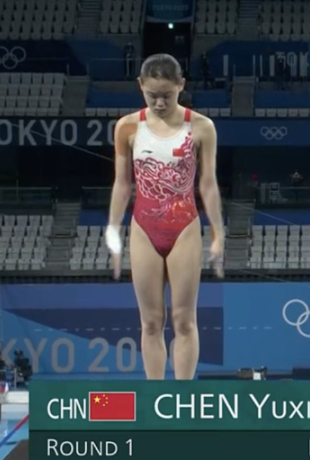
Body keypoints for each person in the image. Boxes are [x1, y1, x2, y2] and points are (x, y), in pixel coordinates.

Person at [107, 53, 225, 380]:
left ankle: (182, 399)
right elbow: (122, 184)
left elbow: (208, 183)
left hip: (184, 226)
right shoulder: (127, 127)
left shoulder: (201, 127)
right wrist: (113, 229)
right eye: (152, 95)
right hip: (144, 228)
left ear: (181, 86)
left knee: (184, 321)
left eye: (167, 96)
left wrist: (218, 233)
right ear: (140, 86)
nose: (159, 103)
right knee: (150, 323)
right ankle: (155, 398)